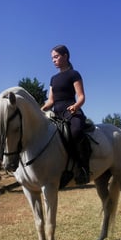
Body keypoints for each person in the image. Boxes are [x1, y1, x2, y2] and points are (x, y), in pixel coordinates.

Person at [41, 44, 91, 185]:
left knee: (75, 132)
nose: (53, 60)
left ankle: (83, 168)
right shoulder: (53, 79)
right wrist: (40, 109)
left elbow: (81, 96)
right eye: (52, 58)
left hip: (71, 111)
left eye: (56, 57)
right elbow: (51, 101)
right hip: (56, 114)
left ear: (65, 56)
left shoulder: (74, 74)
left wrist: (75, 106)